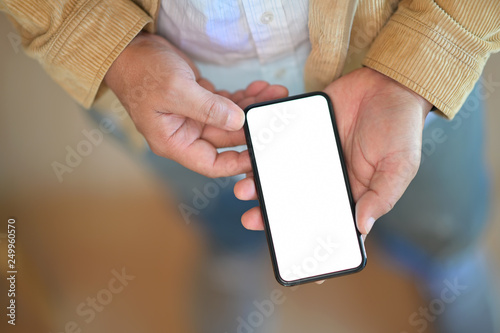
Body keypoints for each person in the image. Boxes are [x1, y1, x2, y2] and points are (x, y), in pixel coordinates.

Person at [2, 0, 499, 332]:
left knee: (438, 199)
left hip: (400, 53)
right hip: (166, 74)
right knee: (214, 198)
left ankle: (446, 260)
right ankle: (230, 252)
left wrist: (430, 57)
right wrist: (113, 51)